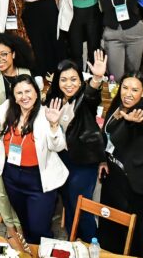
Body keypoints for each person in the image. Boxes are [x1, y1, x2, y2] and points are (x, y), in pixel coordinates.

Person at [0, 75, 67, 246]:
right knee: (24, 222)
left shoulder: (46, 114)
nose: (24, 96)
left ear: (36, 92)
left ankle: (43, 249)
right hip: (12, 176)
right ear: (14, 97)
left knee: (39, 227)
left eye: (28, 91)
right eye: (19, 93)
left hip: (38, 180)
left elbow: (58, 146)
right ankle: (30, 250)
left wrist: (54, 125)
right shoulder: (7, 109)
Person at [99, 72, 143, 258]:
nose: (128, 93)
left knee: (140, 231)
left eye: (134, 89)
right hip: (115, 177)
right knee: (113, 226)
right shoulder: (117, 106)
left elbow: (118, 137)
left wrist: (128, 122)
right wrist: (103, 159)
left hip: (137, 182)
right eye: (125, 88)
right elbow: (106, 136)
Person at [49, 53, 107, 241]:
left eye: (74, 79)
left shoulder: (84, 100)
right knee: (68, 203)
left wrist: (96, 78)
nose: (69, 84)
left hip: (83, 161)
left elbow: (91, 96)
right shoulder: (54, 100)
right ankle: (73, 241)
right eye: (64, 79)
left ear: (81, 81)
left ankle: (92, 244)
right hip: (62, 160)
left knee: (81, 206)